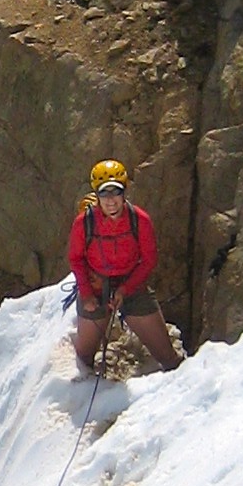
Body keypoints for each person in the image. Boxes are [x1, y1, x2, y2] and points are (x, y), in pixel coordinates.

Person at [68, 159, 180, 373]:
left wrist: (125, 289)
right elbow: (76, 259)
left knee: (168, 357)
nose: (110, 200)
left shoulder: (140, 220)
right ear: (96, 195)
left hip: (132, 284)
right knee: (84, 357)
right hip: (96, 286)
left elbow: (149, 260)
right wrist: (87, 293)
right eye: (104, 194)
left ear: (124, 192)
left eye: (116, 192)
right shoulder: (85, 222)